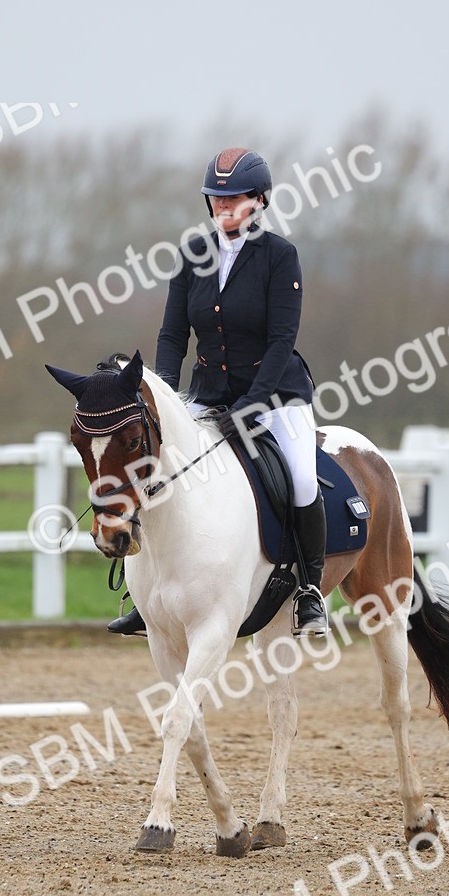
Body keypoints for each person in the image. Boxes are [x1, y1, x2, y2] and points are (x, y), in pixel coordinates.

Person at [108, 147, 327, 638]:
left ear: (259, 201)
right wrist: (161, 396)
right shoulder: (192, 255)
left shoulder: (279, 257)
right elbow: (172, 335)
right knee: (156, 468)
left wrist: (253, 405)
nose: (223, 209)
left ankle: (309, 591)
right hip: (209, 394)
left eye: (234, 200)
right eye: (216, 200)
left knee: (302, 479)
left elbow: (280, 341)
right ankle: (144, 597)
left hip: (275, 397)